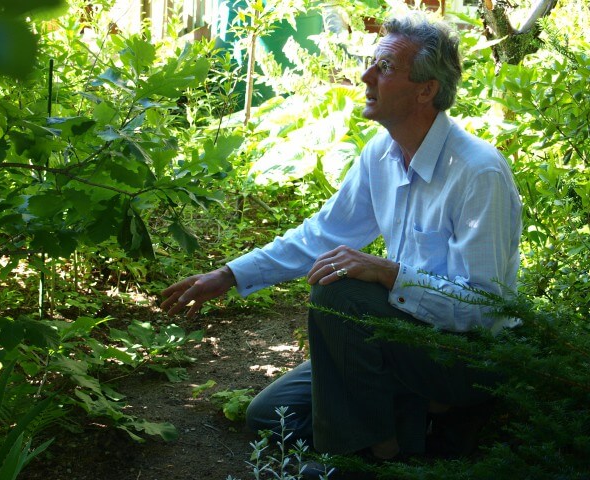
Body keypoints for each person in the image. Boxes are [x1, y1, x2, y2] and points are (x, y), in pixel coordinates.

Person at [162, 10, 522, 469]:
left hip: (463, 354)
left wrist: (389, 272)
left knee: (342, 291)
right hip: (401, 337)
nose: (366, 75)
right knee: (270, 414)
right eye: (372, 62)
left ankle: (366, 457)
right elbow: (323, 233)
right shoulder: (382, 153)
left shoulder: (478, 172)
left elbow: (484, 311)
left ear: (426, 90)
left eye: (385, 67)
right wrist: (231, 274)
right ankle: (427, 423)